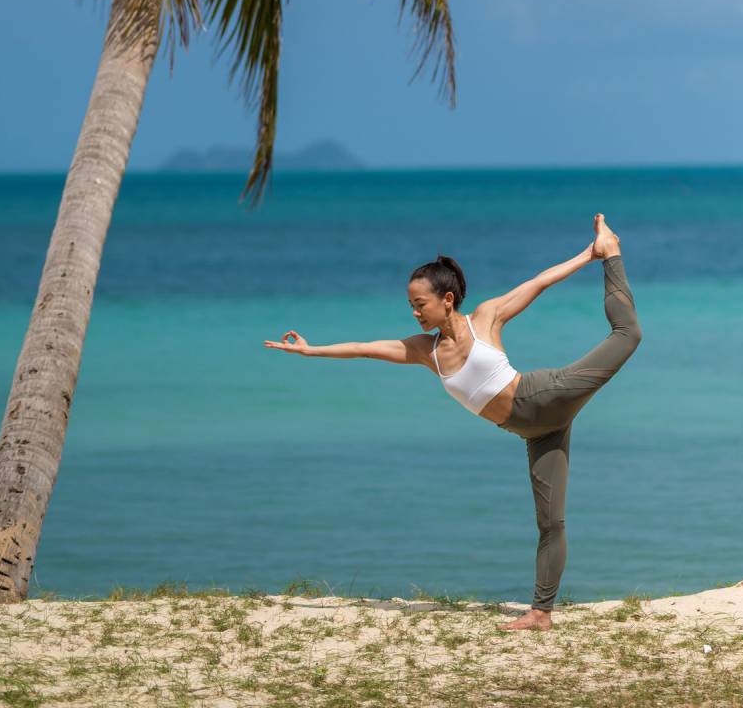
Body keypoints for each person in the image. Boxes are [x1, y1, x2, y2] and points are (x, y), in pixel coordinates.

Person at [265, 213, 641, 629]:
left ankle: (613, 253)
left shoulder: (486, 318)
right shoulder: (426, 352)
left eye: (420, 304)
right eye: (410, 306)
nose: (414, 314)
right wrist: (311, 350)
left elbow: (539, 282)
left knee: (627, 334)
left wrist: (590, 254)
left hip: (542, 394)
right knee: (550, 522)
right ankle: (541, 613)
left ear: (446, 299)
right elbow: (365, 348)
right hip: (536, 430)